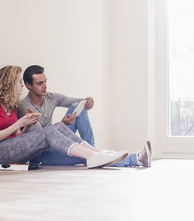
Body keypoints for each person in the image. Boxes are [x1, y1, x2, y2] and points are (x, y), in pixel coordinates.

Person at [0, 65, 129, 169]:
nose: (20, 86)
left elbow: (17, 136)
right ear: (9, 83)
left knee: (57, 126)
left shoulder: (11, 105)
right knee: (51, 131)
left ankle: (98, 154)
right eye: (19, 82)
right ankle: (93, 156)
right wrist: (19, 122)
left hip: (13, 148)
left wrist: (25, 125)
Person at [18, 65, 152, 167]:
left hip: (57, 141)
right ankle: (136, 159)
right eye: (40, 83)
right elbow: (41, 138)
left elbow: (77, 102)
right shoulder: (25, 107)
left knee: (79, 107)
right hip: (42, 154)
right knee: (82, 155)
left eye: (45, 81)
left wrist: (88, 102)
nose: (45, 86)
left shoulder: (51, 97)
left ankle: (94, 151)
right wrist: (62, 124)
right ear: (28, 85)